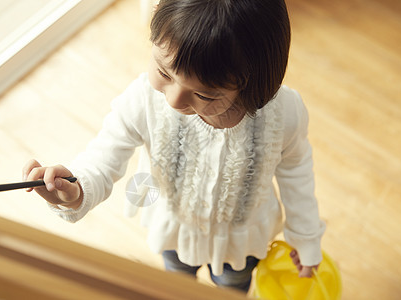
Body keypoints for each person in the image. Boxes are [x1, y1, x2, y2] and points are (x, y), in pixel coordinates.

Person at [22, 0, 325, 293]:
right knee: (177, 286)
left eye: (205, 95)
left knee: (232, 289)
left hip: (242, 244)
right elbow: (104, 157)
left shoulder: (283, 115)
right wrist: (75, 189)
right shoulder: (143, 100)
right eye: (164, 73)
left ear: (256, 81)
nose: (174, 100)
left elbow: (297, 170)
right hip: (175, 234)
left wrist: (305, 235)